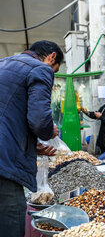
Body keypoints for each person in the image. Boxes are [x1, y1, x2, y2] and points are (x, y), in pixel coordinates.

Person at [0, 40, 63, 237]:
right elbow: (38, 120)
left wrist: (32, 146)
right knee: (11, 220)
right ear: (51, 56)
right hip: (3, 163)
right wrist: (48, 131)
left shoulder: (3, 64)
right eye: (55, 68)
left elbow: (8, 116)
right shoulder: (40, 69)